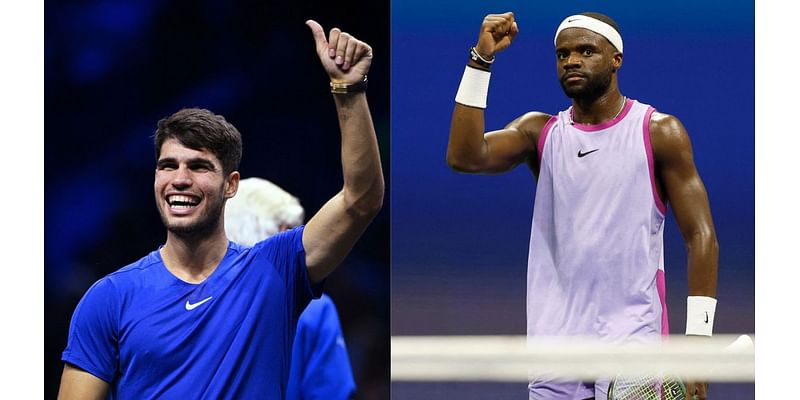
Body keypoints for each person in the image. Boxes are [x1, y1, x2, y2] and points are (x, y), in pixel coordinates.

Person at [57, 20, 383, 399]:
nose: (179, 178)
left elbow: (361, 200)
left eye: (198, 166)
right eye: (168, 166)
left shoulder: (272, 271)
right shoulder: (109, 297)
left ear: (231, 185)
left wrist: (349, 91)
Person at [447, 12, 718, 400]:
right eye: (563, 54)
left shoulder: (660, 132)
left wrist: (699, 343)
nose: (572, 60)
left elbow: (701, 236)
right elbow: (464, 156)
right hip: (555, 345)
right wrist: (481, 59)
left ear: (615, 59)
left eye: (586, 51)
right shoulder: (538, 132)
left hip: (632, 341)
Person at [224, 177, 356, 400]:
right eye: (295, 232)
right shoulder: (314, 310)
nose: (305, 242)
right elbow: (331, 394)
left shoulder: (188, 302)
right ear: (283, 231)